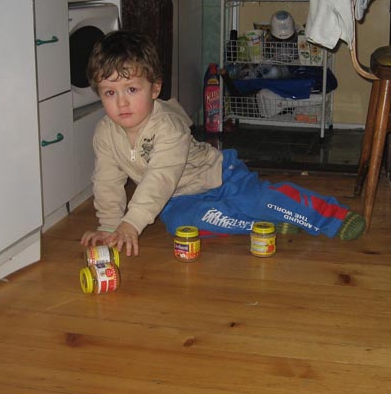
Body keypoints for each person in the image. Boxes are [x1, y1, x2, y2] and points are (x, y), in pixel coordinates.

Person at [80, 30, 366, 257]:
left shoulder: (168, 127)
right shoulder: (105, 133)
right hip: (177, 197)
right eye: (109, 93)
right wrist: (110, 226)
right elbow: (107, 181)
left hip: (220, 176)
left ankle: (330, 215)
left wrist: (132, 223)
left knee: (257, 200)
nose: (121, 103)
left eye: (131, 89)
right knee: (180, 225)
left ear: (155, 88)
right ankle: (265, 224)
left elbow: (160, 177)